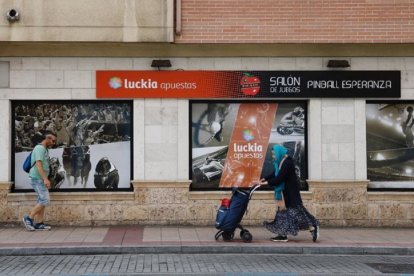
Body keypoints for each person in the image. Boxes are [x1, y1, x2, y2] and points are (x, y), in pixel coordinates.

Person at [256, 144, 319, 242]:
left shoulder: (287, 163)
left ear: (279, 153)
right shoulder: (281, 162)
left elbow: (279, 178)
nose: (273, 156)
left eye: (274, 154)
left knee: (296, 213)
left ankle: (313, 226)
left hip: (290, 193)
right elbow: (275, 173)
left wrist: (266, 183)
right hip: (283, 193)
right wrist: (264, 178)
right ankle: (282, 235)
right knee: (282, 214)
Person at [22, 131, 57, 231]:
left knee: (42, 200)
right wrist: (45, 179)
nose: (54, 143)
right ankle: (28, 218)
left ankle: (39, 223)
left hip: (40, 178)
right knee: (45, 200)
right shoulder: (39, 149)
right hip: (37, 179)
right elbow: (38, 165)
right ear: (48, 138)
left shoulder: (45, 149)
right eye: (53, 141)